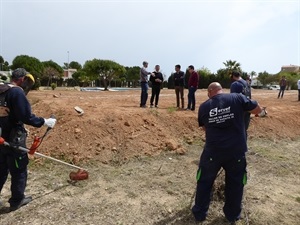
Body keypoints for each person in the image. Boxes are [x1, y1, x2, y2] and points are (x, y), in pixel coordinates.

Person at [192, 82, 265, 223]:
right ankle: (232, 216)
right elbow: (257, 110)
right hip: (235, 152)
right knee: (235, 184)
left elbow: (206, 130)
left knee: (204, 182)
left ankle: (200, 214)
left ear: (210, 91)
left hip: (213, 152)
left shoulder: (203, 107)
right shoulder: (237, 98)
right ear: (220, 90)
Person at [0, 68, 56, 211]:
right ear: (22, 79)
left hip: (1, 138)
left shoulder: (2, 89)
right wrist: (45, 121)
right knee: (19, 168)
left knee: (0, 169)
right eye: (27, 82)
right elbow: (26, 116)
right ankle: (17, 200)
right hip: (14, 139)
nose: (27, 86)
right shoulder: (16, 92)